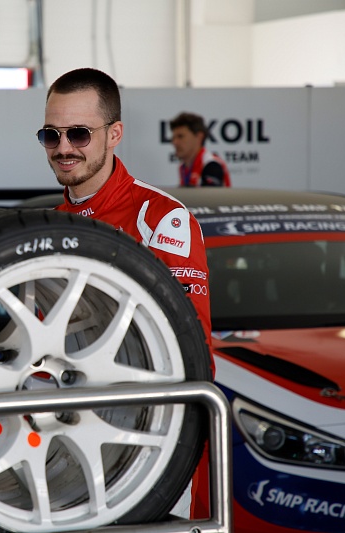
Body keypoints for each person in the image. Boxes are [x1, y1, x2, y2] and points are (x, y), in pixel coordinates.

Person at [37, 67, 212, 519]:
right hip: (65, 436)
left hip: (147, 441)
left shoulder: (162, 218)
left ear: (114, 134)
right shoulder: (47, 227)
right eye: (51, 135)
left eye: (79, 133)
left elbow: (193, 350)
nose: (63, 148)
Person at [170, 111, 231, 187]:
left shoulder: (211, 165)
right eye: (173, 138)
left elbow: (211, 194)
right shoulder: (183, 167)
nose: (174, 142)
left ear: (199, 137)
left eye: (180, 136)